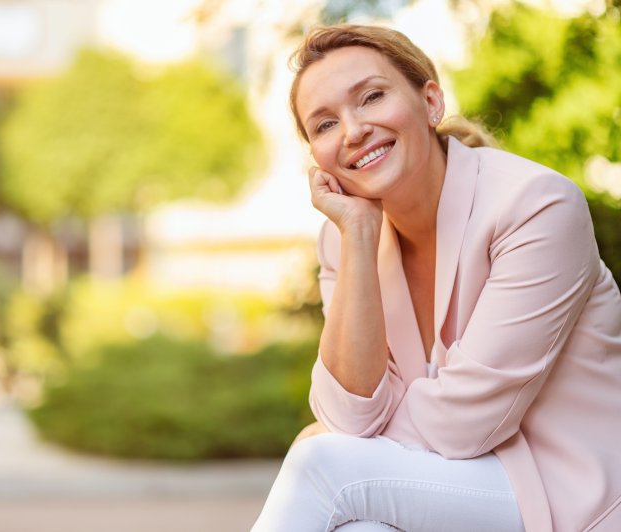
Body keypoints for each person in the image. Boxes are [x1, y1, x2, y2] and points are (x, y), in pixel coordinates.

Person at [251, 24, 621, 532]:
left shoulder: (535, 206)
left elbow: (461, 426)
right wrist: (359, 235)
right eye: (324, 124)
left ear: (430, 101)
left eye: (372, 97)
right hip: (456, 486)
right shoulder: (343, 238)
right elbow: (350, 414)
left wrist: (337, 440)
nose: (353, 130)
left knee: (323, 468)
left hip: (567, 491)